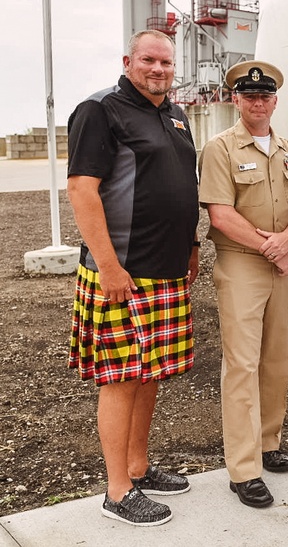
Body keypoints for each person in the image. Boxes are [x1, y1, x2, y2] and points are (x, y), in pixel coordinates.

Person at [66, 29, 199, 526]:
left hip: (165, 270)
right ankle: (117, 491)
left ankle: (138, 468)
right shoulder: (100, 109)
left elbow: (182, 185)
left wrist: (190, 246)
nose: (159, 69)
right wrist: (108, 266)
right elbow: (82, 189)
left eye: (166, 62)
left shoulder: (176, 114)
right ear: (128, 61)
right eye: (149, 60)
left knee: (149, 376)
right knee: (121, 378)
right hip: (122, 270)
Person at [198, 61, 288, 508]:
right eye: (249, 96)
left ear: (274, 102)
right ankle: (243, 469)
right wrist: (274, 249)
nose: (258, 103)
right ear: (236, 100)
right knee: (242, 365)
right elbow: (220, 214)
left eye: (265, 97)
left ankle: (269, 443)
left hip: (277, 261)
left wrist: (287, 240)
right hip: (242, 264)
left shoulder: (287, 149)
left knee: (275, 359)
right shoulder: (220, 148)